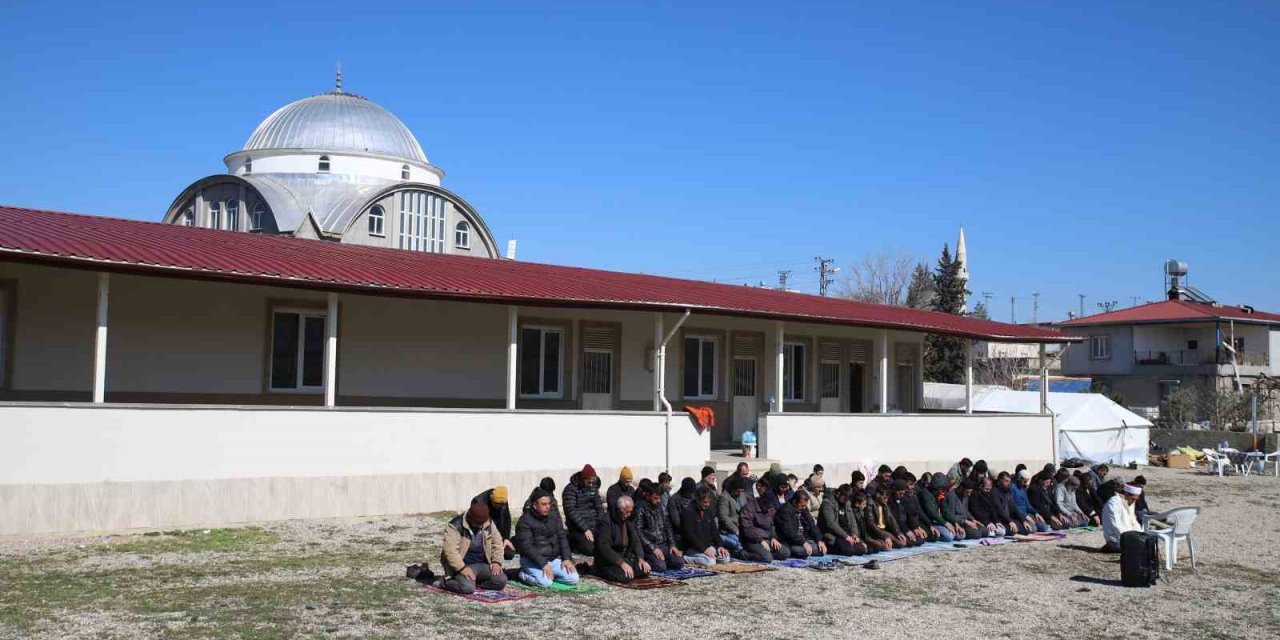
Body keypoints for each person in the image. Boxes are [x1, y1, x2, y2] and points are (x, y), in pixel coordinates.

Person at [515, 489, 580, 587]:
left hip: (552, 559)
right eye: (544, 504)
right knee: (545, 583)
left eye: (549, 504)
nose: (548, 507)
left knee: (573, 578)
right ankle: (521, 574)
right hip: (532, 561)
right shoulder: (525, 521)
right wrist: (543, 564)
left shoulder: (554, 517)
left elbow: (562, 537)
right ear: (535, 505)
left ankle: (549, 574)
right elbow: (526, 547)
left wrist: (566, 558)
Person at [440, 502, 509, 594]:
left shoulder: (488, 523)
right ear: (470, 518)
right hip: (463, 566)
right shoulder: (455, 525)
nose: (481, 526)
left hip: (482, 564)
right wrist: (462, 568)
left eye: (482, 523)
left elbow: (497, 542)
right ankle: (445, 583)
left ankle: (477, 583)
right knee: (467, 588)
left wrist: (496, 561)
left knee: (501, 580)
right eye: (478, 523)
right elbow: (450, 551)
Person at [594, 496, 650, 583]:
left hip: (623, 557)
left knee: (645, 570)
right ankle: (599, 571)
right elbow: (603, 547)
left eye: (630, 512)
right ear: (619, 509)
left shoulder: (628, 520)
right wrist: (621, 563)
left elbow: (635, 540)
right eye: (627, 512)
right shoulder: (606, 521)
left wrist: (640, 558)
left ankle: (626, 570)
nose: (629, 514)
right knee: (624, 577)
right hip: (609, 560)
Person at [635, 481, 684, 572]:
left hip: (663, 544)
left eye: (659, 498)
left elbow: (667, 525)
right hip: (649, 546)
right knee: (660, 567)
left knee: (680, 562)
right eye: (655, 498)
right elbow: (638, 531)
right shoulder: (640, 508)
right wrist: (652, 548)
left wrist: (672, 545)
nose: (659, 501)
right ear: (648, 496)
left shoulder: (660, 506)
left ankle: (662, 560)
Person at [562, 464, 607, 555]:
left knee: (607, 544)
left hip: (594, 524)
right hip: (578, 528)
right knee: (591, 549)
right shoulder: (570, 490)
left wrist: (600, 523)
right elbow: (571, 511)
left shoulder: (593, 487)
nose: (591, 484)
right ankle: (574, 544)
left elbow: (599, 506)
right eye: (588, 482)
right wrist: (585, 529)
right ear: (583, 479)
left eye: (592, 482)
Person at [680, 487, 731, 565]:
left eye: (709, 502)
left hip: (708, 547)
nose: (708, 504)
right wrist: (703, 550)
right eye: (705, 502)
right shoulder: (688, 512)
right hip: (693, 548)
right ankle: (685, 558)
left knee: (725, 558)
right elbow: (690, 535)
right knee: (710, 562)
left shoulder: (708, 512)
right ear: (698, 500)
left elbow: (715, 532)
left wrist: (720, 546)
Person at [740, 477, 787, 562]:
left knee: (785, 553)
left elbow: (772, 525)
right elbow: (747, 529)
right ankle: (745, 554)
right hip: (753, 540)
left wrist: (773, 537)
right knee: (767, 558)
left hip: (767, 539)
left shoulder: (770, 509)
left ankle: (766, 554)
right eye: (767, 506)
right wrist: (760, 540)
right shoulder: (749, 508)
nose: (769, 508)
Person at [819, 484, 868, 556]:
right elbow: (830, 523)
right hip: (834, 535)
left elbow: (852, 521)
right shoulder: (828, 503)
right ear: (838, 494)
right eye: (844, 497)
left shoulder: (847, 503)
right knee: (849, 550)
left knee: (861, 549)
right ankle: (829, 548)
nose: (846, 500)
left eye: (847, 498)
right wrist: (845, 536)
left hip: (847, 534)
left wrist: (855, 534)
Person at [776, 491, 826, 559]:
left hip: (804, 538)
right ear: (794, 502)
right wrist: (803, 543)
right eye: (802, 506)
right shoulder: (785, 511)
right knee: (804, 551)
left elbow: (812, 524)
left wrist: (819, 540)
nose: (804, 508)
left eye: (805, 506)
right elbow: (790, 532)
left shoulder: (803, 509)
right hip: (791, 541)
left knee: (821, 550)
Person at [472, 485, 515, 560]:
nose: (499, 507)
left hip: (498, 535)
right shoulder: (478, 502)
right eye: (497, 504)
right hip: (483, 535)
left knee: (509, 554)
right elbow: (475, 525)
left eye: (501, 505)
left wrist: (506, 538)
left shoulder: (502, 500)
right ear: (491, 498)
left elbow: (507, 518)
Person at [917, 473, 960, 542]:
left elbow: (945, 510)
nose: (944, 490)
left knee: (960, 535)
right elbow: (931, 512)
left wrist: (955, 523)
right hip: (930, 522)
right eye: (943, 488)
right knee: (949, 536)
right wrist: (945, 523)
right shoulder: (925, 494)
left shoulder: (940, 494)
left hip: (940, 521)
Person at [1101, 483, 1142, 552]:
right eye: (1133, 499)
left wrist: (1141, 536)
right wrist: (1132, 541)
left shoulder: (1130, 502)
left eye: (1136, 499)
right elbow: (1116, 526)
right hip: (1116, 540)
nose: (1134, 501)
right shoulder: (1113, 503)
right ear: (1126, 494)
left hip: (1128, 538)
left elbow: (1134, 522)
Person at [891, 479, 935, 543]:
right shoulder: (890, 501)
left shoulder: (904, 498)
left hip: (907, 525)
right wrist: (906, 531)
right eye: (900, 493)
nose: (901, 495)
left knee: (929, 536)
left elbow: (909, 515)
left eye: (903, 493)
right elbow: (894, 520)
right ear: (895, 490)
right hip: (897, 528)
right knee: (911, 541)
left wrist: (916, 527)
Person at [716, 475, 746, 553]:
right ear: (733, 489)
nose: (739, 493)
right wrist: (735, 529)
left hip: (741, 528)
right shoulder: (724, 497)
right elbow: (723, 517)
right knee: (738, 545)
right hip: (728, 531)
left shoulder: (740, 495)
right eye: (737, 491)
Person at [667, 477, 697, 548]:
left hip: (694, 533)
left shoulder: (694, 498)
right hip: (680, 535)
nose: (690, 494)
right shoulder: (673, 500)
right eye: (689, 492)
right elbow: (676, 521)